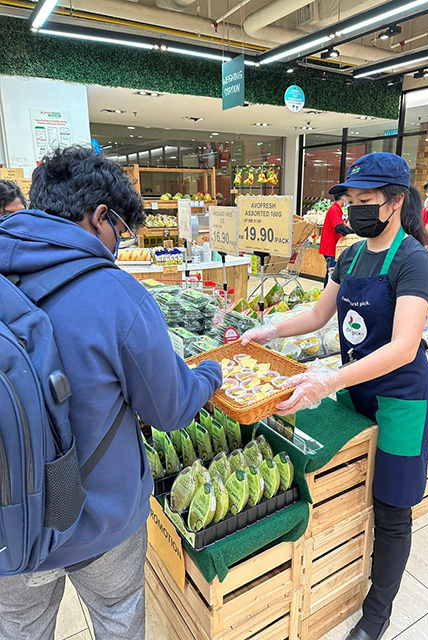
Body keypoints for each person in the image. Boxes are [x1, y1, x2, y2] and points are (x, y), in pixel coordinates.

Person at [0, 146, 222, 640]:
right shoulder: (114, 294)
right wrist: (209, 374)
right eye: (119, 230)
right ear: (98, 216)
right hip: (100, 522)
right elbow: (171, 409)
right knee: (118, 620)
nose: (118, 243)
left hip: (8, 525)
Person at [242, 152, 428, 640]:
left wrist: (326, 382)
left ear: (394, 203)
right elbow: (318, 316)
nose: (354, 210)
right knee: (345, 482)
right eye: (350, 200)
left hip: (400, 397)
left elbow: (404, 346)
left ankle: (377, 614)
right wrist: (270, 331)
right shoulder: (349, 254)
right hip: (354, 391)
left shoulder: (414, 258)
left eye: (365, 200)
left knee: (392, 506)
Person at [319, 190, 352, 286]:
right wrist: (352, 232)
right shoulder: (334, 209)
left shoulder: (336, 209)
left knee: (330, 273)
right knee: (332, 275)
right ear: (343, 198)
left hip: (332, 247)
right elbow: (338, 227)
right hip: (331, 248)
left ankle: (325, 295)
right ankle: (328, 296)